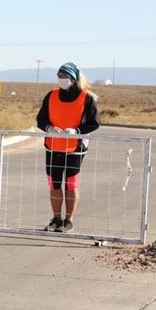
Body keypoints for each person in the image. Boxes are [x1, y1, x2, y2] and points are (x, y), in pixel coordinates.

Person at [36, 62, 100, 232]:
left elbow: (95, 123)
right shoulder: (51, 95)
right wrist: (49, 128)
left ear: (72, 78)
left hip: (75, 147)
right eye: (59, 76)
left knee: (70, 184)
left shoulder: (86, 98)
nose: (61, 79)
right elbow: (41, 119)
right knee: (54, 183)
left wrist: (77, 131)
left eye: (64, 77)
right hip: (53, 146)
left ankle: (68, 220)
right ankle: (56, 218)